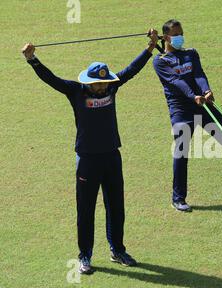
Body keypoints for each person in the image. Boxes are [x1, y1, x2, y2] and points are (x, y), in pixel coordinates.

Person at [22, 29, 159, 274]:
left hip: (112, 157)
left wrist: (150, 48)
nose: (103, 86)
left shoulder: (111, 88)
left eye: (106, 82)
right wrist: (33, 60)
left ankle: (117, 250)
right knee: (85, 210)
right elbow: (51, 79)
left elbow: (130, 71)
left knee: (116, 206)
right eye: (99, 83)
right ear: (89, 82)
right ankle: (84, 256)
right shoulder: (75, 91)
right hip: (87, 159)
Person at [152, 19, 222, 212]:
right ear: (166, 37)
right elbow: (175, 81)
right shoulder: (160, 61)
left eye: (181, 33)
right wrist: (193, 96)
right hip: (181, 111)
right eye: (176, 35)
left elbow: (198, 74)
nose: (180, 37)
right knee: (181, 154)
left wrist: (206, 90)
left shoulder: (191, 53)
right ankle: (178, 198)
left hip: (203, 105)